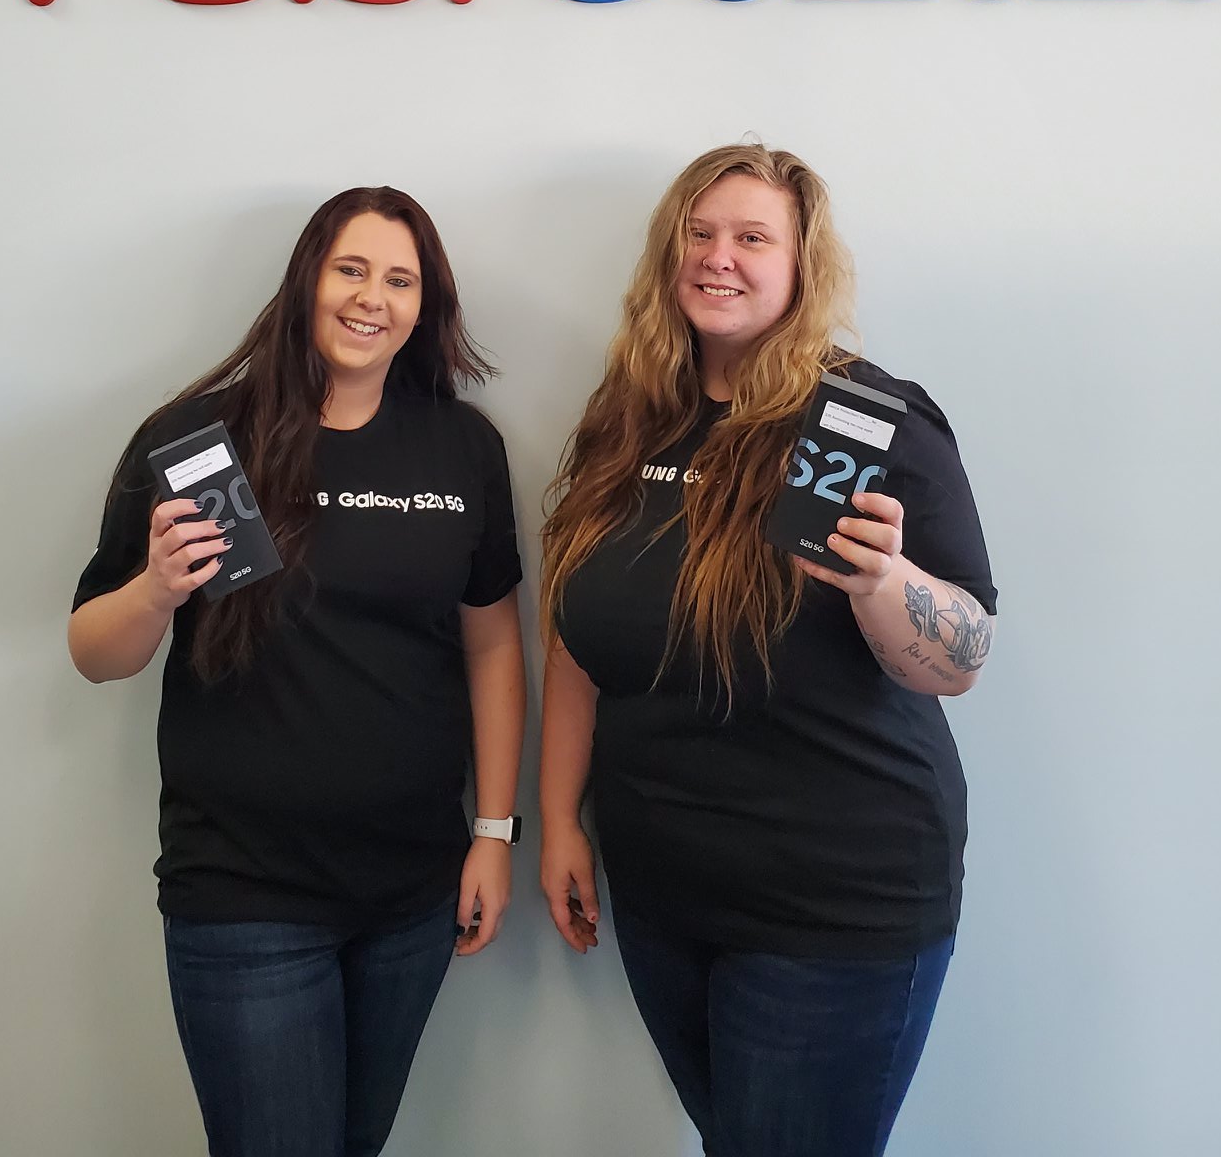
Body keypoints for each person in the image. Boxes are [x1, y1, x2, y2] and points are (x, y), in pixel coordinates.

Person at [538, 145, 997, 1157]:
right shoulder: (630, 422)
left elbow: (961, 659)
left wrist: (885, 585)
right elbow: (576, 637)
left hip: (832, 903)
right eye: (699, 234)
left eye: (752, 237)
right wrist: (559, 817)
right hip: (665, 895)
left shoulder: (870, 422)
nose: (719, 257)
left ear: (801, 266)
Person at [69, 186, 526, 1157]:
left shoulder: (462, 447)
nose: (371, 298)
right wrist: (155, 590)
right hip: (245, 893)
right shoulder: (197, 440)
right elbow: (94, 654)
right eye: (350, 269)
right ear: (306, 280)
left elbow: (492, 645)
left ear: (425, 306)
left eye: (399, 280)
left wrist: (493, 832)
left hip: (409, 893)